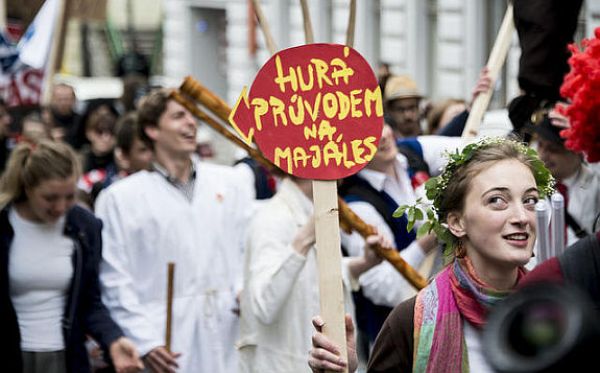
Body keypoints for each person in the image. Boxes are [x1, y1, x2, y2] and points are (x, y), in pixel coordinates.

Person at [308, 137, 555, 372]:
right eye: (497, 200)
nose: (522, 217)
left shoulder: (558, 308)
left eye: (530, 200)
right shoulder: (409, 322)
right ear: (457, 222)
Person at [96, 88, 255, 373]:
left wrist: (243, 289)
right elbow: (114, 278)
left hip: (227, 329)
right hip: (163, 339)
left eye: (193, 116)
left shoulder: (231, 183)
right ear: (152, 130)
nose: (191, 123)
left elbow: (249, 248)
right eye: (179, 116)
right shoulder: (121, 198)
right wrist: (145, 340)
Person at [0, 140, 143, 373]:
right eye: (50, 198)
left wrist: (114, 340)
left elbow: (91, 302)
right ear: (27, 187)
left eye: (69, 197)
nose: (60, 207)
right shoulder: (5, 224)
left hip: (67, 357)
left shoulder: (84, 227)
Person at [237, 175, 390, 372]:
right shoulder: (271, 218)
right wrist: (304, 239)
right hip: (282, 365)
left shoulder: (312, 207)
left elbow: (312, 278)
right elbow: (264, 305)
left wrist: (364, 263)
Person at [339, 124, 439, 359]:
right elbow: (382, 288)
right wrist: (424, 244)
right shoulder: (356, 206)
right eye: (365, 133)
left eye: (380, 125)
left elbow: (468, 146)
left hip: (443, 314)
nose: (381, 137)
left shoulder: (410, 153)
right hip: (398, 336)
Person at [526, 111, 600, 245]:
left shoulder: (596, 185)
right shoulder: (526, 183)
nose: (542, 155)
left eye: (553, 149)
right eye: (540, 145)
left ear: (577, 150)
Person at [383, 75, 424, 139]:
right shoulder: (385, 145)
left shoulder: (430, 140)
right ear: (389, 110)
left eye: (412, 108)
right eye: (400, 109)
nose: (407, 115)